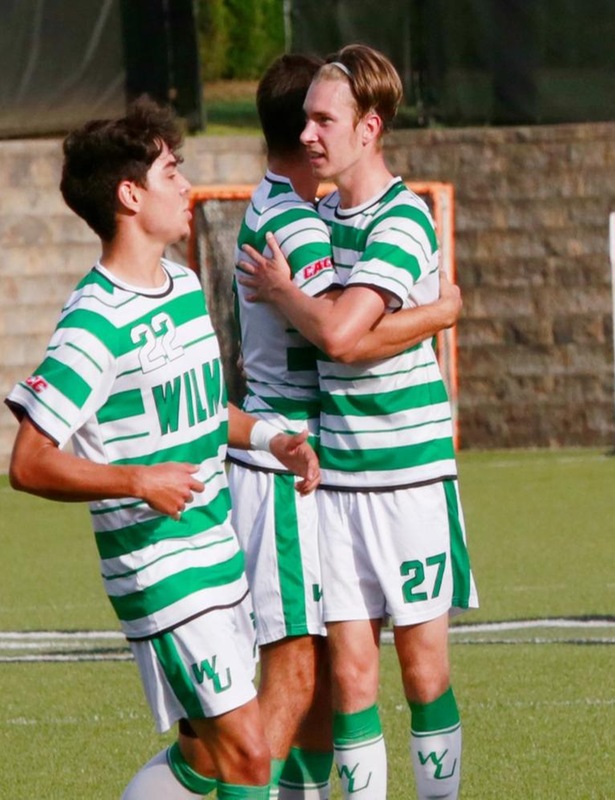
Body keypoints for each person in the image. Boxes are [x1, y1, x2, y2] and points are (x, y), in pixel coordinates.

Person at [6, 98, 319, 799]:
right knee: (247, 758)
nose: (185, 187)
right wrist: (135, 480)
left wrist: (273, 438)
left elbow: (206, 411)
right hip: (160, 569)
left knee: (207, 760)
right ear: (129, 193)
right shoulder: (93, 323)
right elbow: (27, 462)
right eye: (171, 172)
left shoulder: (180, 284)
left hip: (216, 550)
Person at [238, 44, 472, 799]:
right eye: (304, 119)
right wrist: (437, 312)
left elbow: (341, 337)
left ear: (368, 128)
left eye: (323, 120)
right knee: (350, 677)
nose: (308, 134)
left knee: (424, 669)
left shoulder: (403, 218)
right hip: (336, 477)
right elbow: (340, 332)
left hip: (409, 476)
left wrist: (288, 294)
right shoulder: (317, 217)